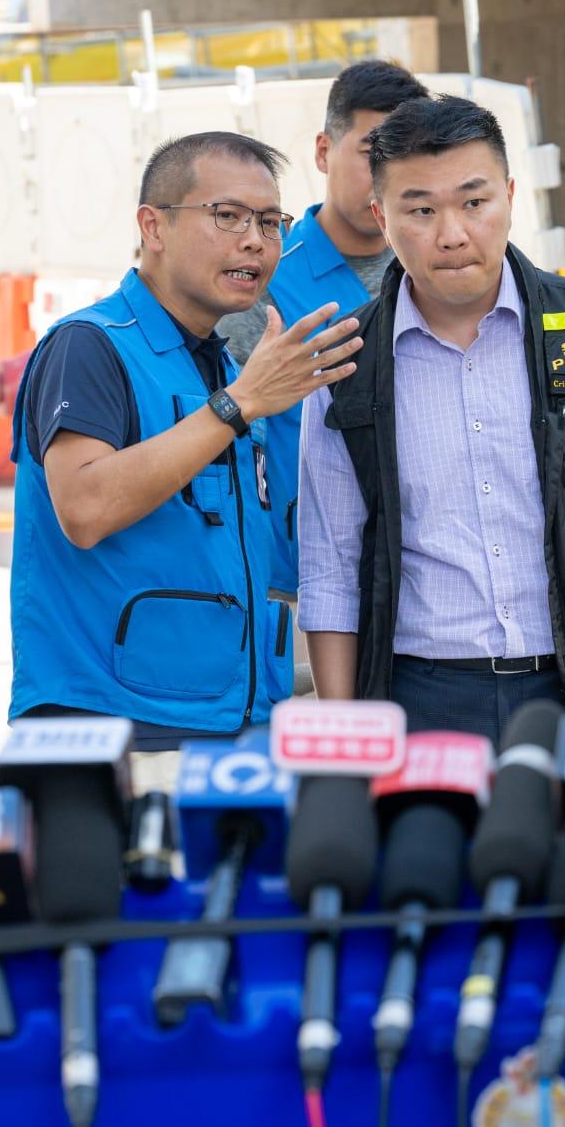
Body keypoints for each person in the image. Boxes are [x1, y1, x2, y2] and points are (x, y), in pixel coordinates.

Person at [297, 96, 565, 780]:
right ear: (381, 216)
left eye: (474, 202)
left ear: (511, 197)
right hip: (422, 699)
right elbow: (332, 567)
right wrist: (344, 741)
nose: (452, 234)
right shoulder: (347, 364)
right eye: (420, 210)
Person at [8, 131, 362, 785]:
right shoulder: (91, 345)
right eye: (228, 216)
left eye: (270, 222)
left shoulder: (222, 366)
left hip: (230, 723)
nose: (255, 241)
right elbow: (84, 506)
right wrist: (238, 405)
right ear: (154, 226)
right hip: (117, 730)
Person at [218, 60, 431, 690]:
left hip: (426, 594)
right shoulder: (262, 278)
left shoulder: (438, 275)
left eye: (403, 156)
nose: (385, 175)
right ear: (322, 150)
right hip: (294, 593)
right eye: (370, 153)